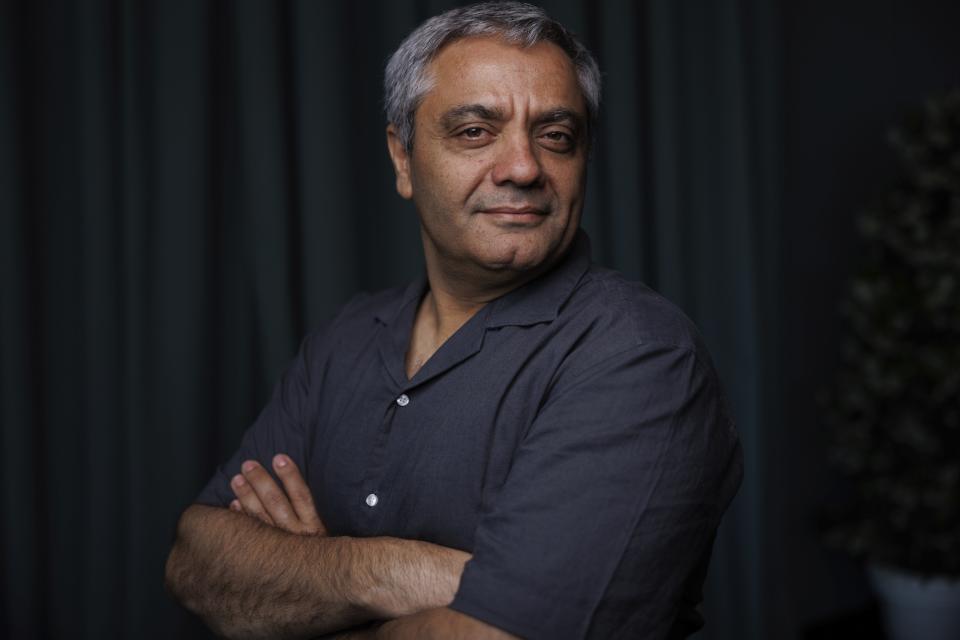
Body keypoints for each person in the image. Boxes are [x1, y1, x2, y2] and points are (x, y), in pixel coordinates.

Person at [164, 3, 743, 639]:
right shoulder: (345, 340)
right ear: (403, 159)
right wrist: (391, 574)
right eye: (474, 131)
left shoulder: (638, 356)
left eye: (556, 136)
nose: (523, 168)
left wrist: (305, 595)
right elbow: (195, 559)